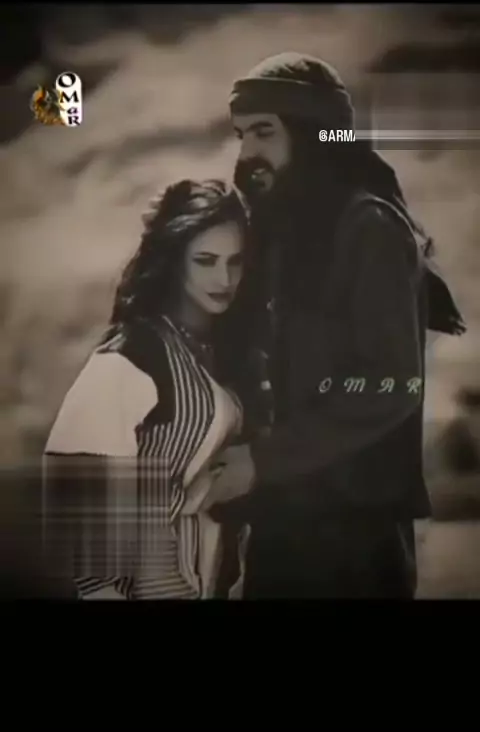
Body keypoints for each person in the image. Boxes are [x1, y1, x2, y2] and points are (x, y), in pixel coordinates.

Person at [206, 52, 467, 599]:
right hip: (282, 526)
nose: (247, 153)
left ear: (313, 132)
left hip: (355, 542)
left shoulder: (369, 228)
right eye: (241, 134)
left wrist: (263, 462)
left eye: (264, 131)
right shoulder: (281, 233)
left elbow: (392, 383)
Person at [42, 178, 261, 600]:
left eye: (235, 262)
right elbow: (76, 484)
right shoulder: (133, 354)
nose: (224, 278)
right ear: (174, 261)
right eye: (206, 261)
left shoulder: (224, 350)